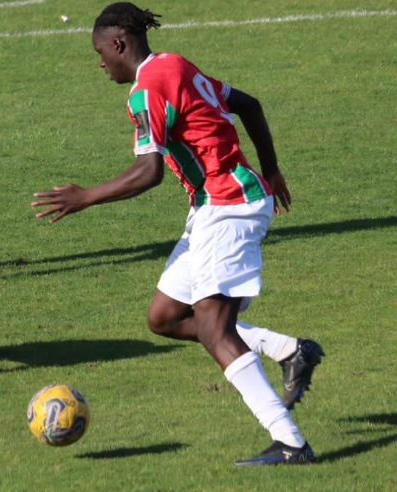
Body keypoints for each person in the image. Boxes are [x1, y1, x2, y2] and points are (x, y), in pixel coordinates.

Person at [31, 3, 323, 465]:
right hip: (216, 205)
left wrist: (85, 197)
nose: (100, 62)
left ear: (119, 44)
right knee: (165, 317)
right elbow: (249, 104)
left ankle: (290, 442)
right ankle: (288, 350)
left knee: (212, 327)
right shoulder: (175, 64)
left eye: (100, 52)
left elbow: (149, 173)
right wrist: (271, 170)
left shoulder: (145, 93)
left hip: (230, 207)